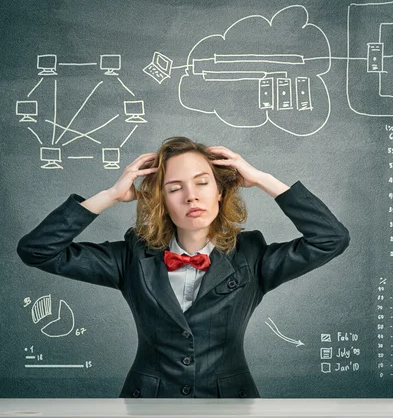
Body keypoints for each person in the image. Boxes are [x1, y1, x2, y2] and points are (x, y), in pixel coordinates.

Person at [17, 137, 350, 398]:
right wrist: (110, 195)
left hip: (230, 403)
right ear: (162, 201)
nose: (191, 196)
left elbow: (330, 239)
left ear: (220, 192)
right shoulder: (133, 257)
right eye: (175, 189)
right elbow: (37, 250)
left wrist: (263, 180)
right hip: (148, 403)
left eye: (203, 183)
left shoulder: (252, 256)